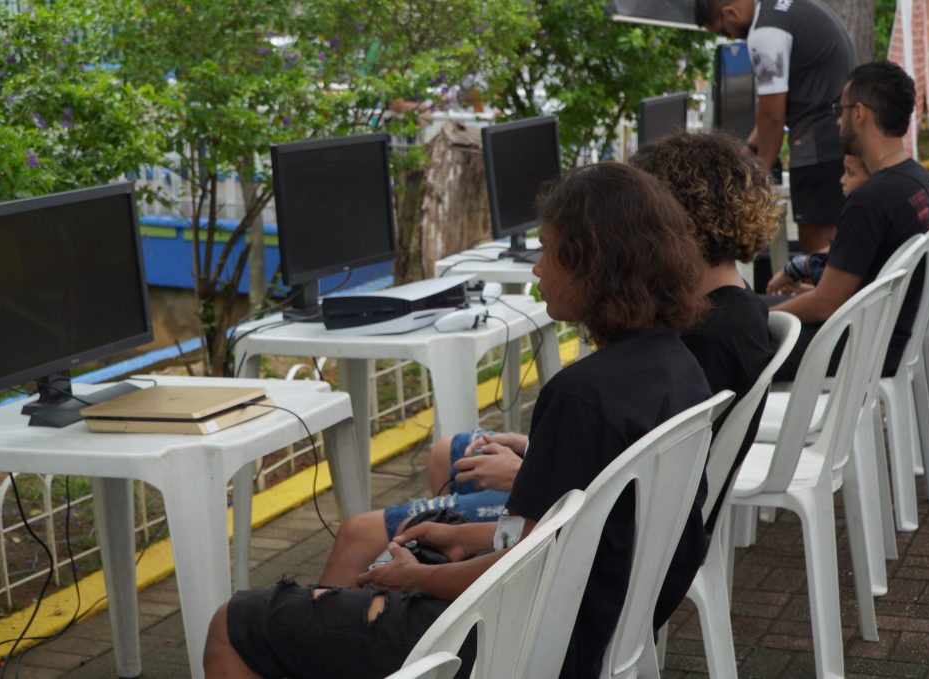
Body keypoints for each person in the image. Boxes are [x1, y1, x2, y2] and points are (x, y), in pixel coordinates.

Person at [203, 162, 713, 679]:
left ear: (594, 263)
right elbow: (564, 537)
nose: (538, 269)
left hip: (514, 647)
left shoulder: (581, 396)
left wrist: (416, 578)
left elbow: (521, 572)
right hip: (594, 629)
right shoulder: (680, 368)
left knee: (234, 623)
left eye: (550, 252)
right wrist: (466, 539)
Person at [314, 131, 780, 633]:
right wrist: (529, 470)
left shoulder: (683, 348)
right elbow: (629, 448)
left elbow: (572, 518)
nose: (539, 267)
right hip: (610, 559)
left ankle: (387, 629)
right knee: (452, 452)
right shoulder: (700, 333)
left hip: (574, 586)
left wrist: (524, 479)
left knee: (361, 532)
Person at [770, 60, 929, 381]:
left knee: (728, 342)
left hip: (858, 350)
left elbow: (825, 304)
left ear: (860, 113)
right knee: (748, 315)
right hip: (887, 338)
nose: (838, 120)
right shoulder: (920, 180)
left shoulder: (871, 199)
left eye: (841, 110)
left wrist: (764, 317)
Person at [695, 0, 856, 254]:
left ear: (730, 12)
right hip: (840, 132)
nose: (730, 38)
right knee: (839, 241)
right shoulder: (781, 9)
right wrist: (747, 153)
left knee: (818, 247)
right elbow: (769, 115)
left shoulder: (765, 32)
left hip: (819, 143)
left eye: (724, 31)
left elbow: (772, 117)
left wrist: (756, 179)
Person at [766, 153, 871, 296]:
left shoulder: (860, 222)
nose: (842, 180)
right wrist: (804, 289)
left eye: (850, 173)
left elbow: (831, 299)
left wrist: (771, 312)